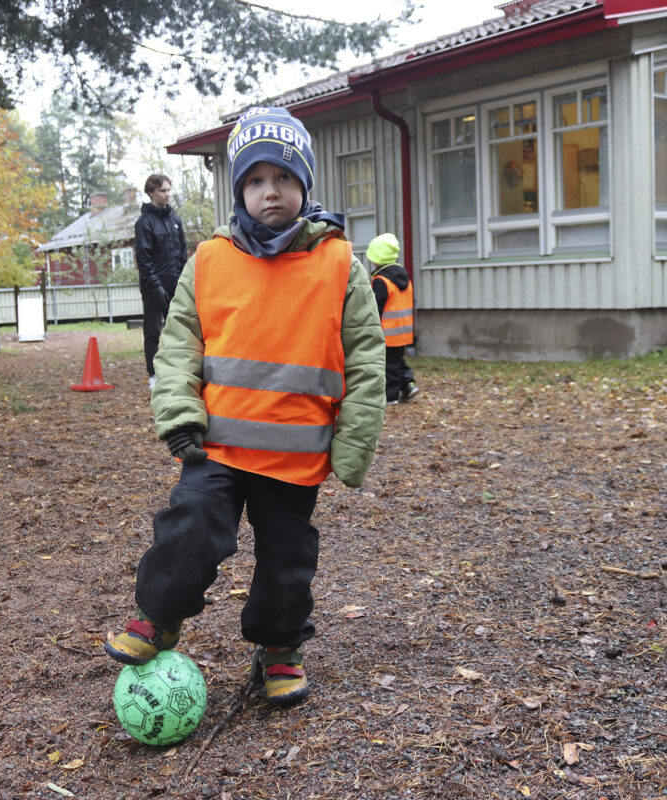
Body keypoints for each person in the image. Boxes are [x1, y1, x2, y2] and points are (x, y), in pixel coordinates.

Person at [105, 107, 385, 707]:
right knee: (189, 530)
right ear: (240, 191)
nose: (270, 191)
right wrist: (179, 416)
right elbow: (179, 343)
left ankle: (279, 647)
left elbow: (366, 359)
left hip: (297, 452)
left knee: (288, 560)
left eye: (283, 178)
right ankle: (159, 615)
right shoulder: (210, 260)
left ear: (304, 186)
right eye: (255, 180)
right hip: (217, 447)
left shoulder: (338, 264)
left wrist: (353, 443)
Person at [134, 173, 188, 391]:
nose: (167, 194)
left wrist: (185, 280)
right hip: (153, 287)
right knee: (153, 332)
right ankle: (153, 374)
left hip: (176, 284)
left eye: (169, 190)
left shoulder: (175, 220)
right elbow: (144, 258)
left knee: (180, 330)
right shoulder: (144, 223)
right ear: (151, 193)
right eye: (163, 190)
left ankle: (178, 370)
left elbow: (182, 253)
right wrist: (155, 286)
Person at [366, 233, 419, 404]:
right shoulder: (404, 278)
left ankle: (391, 395)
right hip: (403, 330)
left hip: (387, 331)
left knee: (388, 364)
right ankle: (409, 385)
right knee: (397, 360)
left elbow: (376, 307)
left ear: (377, 258)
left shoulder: (381, 280)